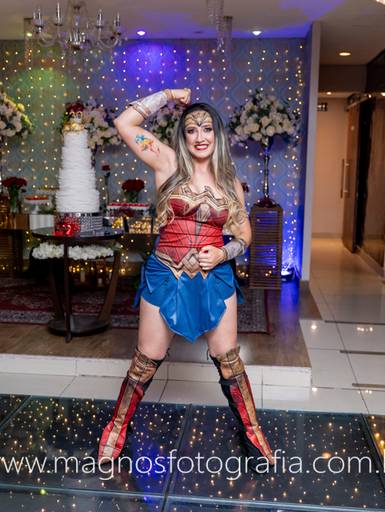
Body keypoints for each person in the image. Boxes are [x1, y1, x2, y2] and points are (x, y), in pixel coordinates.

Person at [97, 88, 276, 469]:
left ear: (217, 134)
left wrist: (223, 253)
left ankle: (253, 432)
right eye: (191, 129)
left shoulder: (230, 183)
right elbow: (124, 123)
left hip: (215, 278)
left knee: (228, 359)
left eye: (207, 128)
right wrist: (167, 95)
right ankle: (115, 429)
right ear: (183, 135)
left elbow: (244, 235)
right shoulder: (166, 162)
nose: (199, 136)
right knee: (147, 358)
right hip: (166, 274)